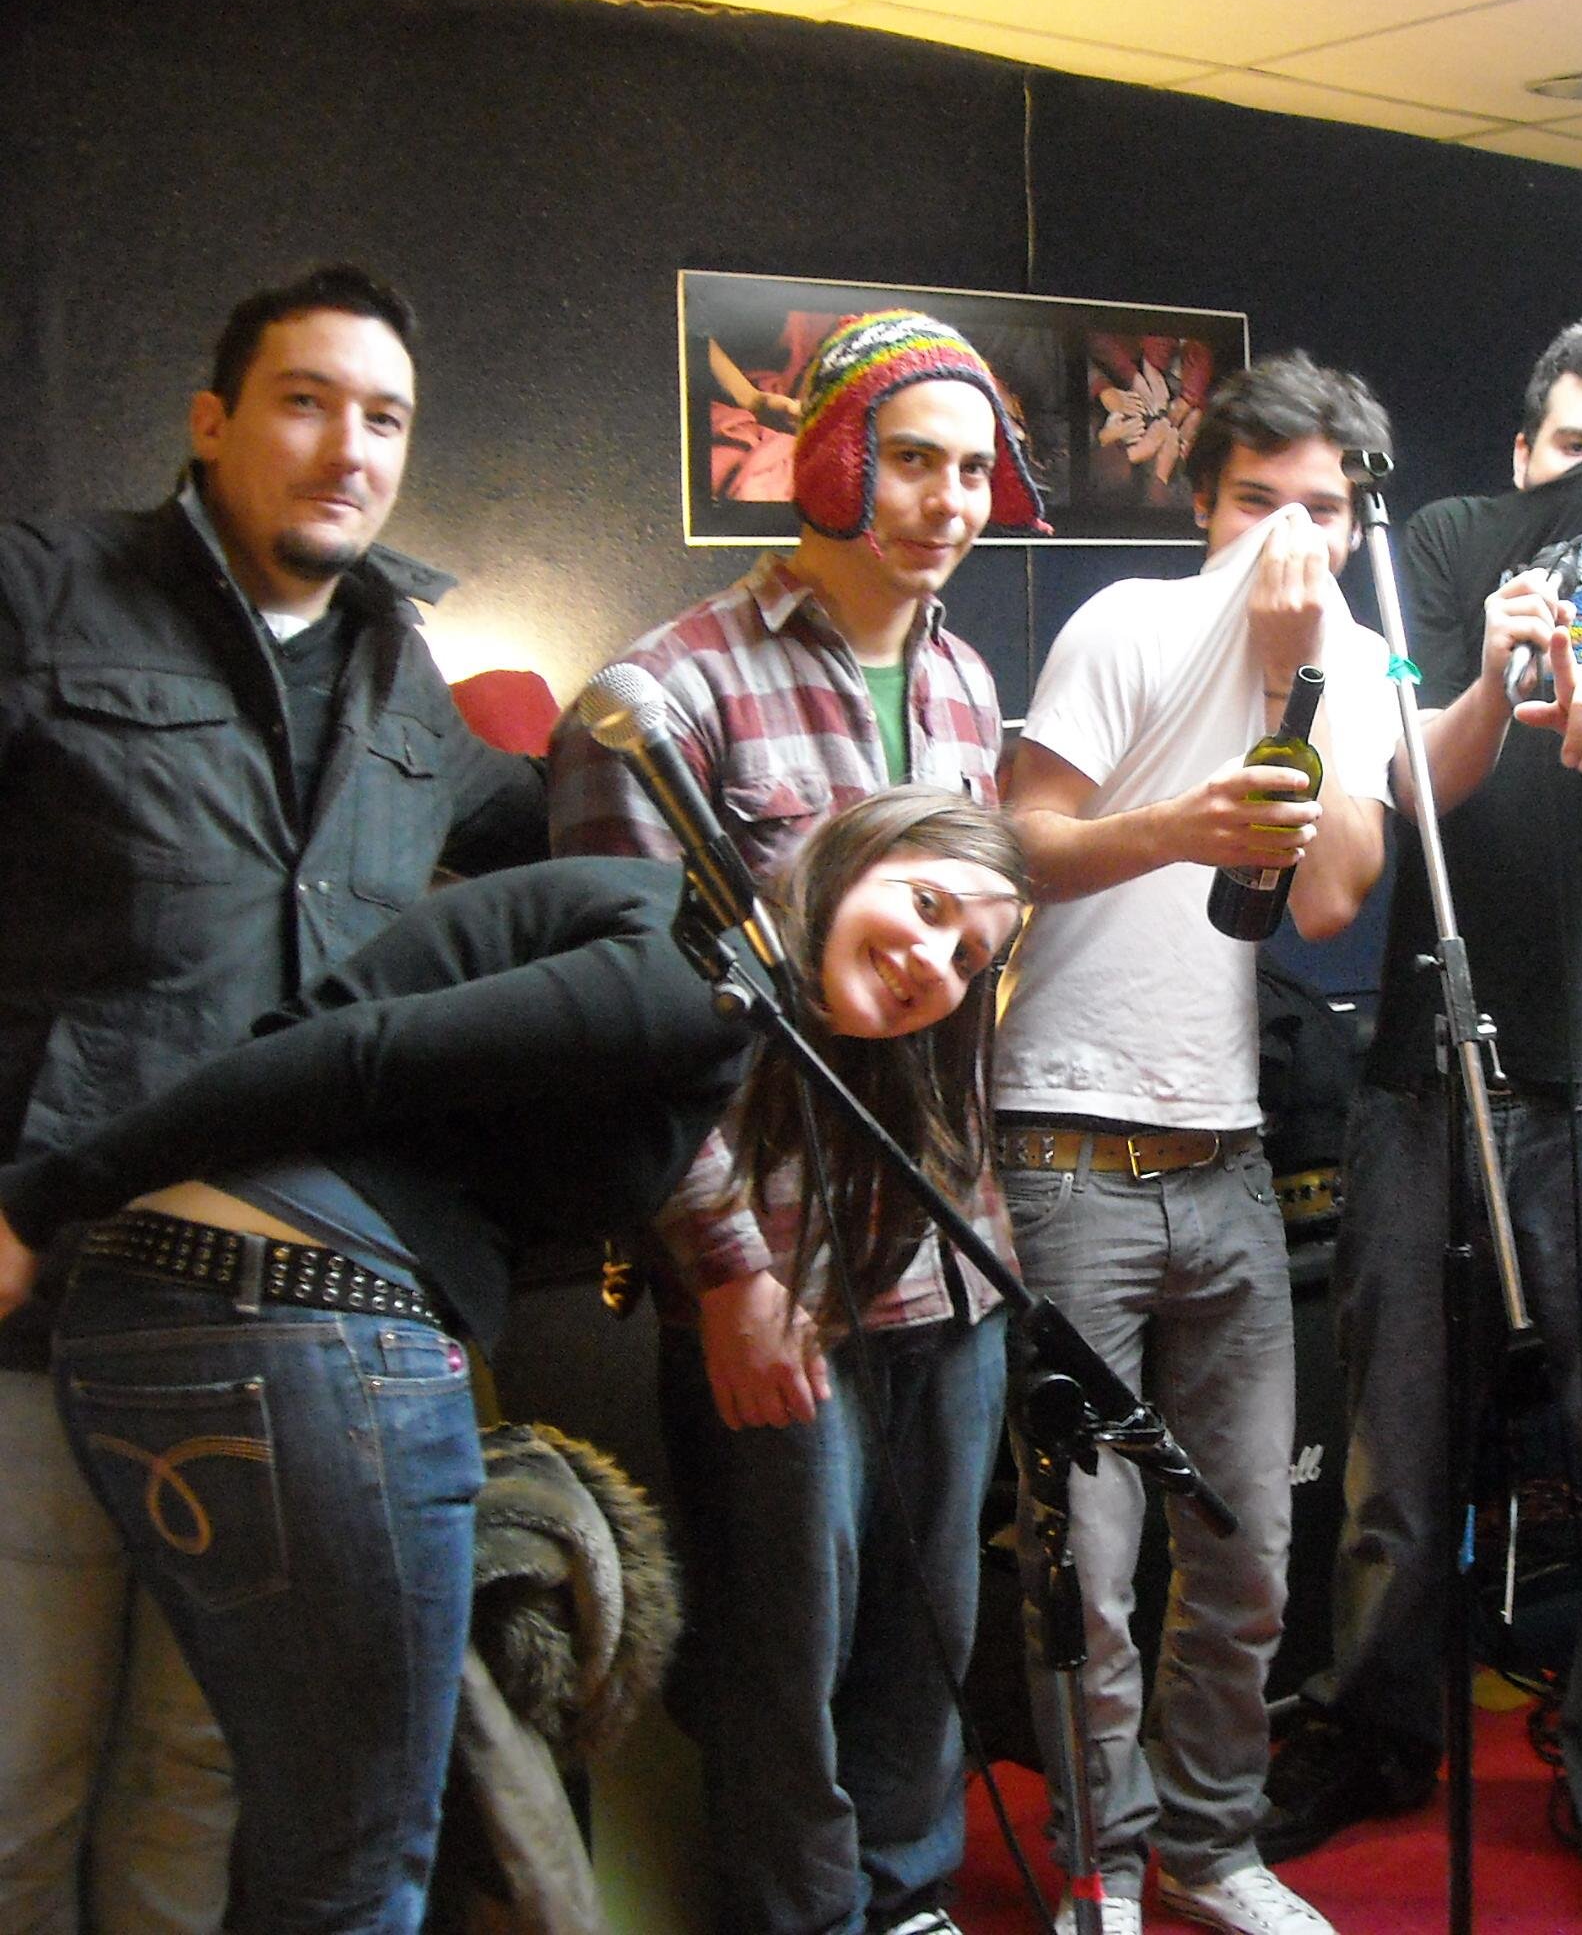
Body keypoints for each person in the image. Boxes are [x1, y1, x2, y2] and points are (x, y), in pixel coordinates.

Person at [0, 789, 1027, 1935]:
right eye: (926, 904)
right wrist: (41, 1200)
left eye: (968, 959)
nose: (933, 960)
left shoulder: (700, 975)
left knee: (299, 1824)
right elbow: (353, 1053)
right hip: (301, 1315)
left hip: (213, 1313)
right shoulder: (688, 977)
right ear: (848, 855)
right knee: (356, 1861)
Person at [0, 263, 545, 1935]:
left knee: (198, 1778)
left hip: (291, 1334)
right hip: (48, 1293)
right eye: (306, 402)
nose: (348, 448)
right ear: (211, 420)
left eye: (384, 417)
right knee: (17, 1779)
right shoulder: (44, 593)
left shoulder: (406, 674)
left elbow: (566, 847)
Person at [549, 309, 1046, 1935]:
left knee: (928, 1632)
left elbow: (959, 981)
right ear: (832, 460)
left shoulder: (965, 681)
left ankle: (906, 1901)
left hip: (947, 1254)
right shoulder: (661, 692)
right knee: (786, 1654)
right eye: (911, 460)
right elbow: (630, 1031)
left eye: (971, 470)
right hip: (773, 1264)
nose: (947, 501)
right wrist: (724, 1269)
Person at [1260, 320, 1582, 1919]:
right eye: (1575, 447)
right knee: (1395, 1471)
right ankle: (1375, 1729)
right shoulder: (1446, 545)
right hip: (1434, 1082)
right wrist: (1494, 672)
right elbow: (1408, 770)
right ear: (1524, 449)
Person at [997, 353, 1400, 1935]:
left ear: (1357, 523)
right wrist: (1174, 828)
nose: (1286, 539)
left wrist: (1305, 679)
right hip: (1068, 1144)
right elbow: (1015, 847)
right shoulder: (1126, 623)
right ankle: (1097, 1869)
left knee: (1248, 1551)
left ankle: (1211, 1849)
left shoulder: (1350, 663)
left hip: (1226, 1154)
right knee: (1084, 1570)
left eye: (1320, 510)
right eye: (1253, 503)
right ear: (1198, 503)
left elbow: (1331, 898)